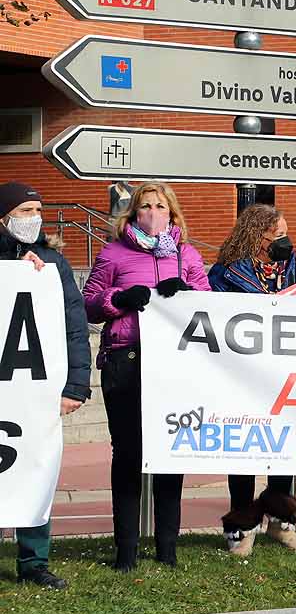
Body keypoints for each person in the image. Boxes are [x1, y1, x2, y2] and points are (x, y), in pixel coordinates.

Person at [82, 181, 210, 570]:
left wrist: (184, 291)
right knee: (128, 454)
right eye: (145, 206)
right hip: (126, 359)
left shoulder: (186, 255)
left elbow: (207, 304)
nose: (153, 212)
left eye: (160, 206)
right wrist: (118, 300)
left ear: (172, 213)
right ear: (133, 213)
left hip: (174, 363)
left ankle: (167, 549)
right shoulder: (113, 253)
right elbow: (88, 303)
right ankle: (126, 551)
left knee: (171, 452)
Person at [0, 183, 90, 589]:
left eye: (37, 208)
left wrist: (75, 385)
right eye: (24, 210)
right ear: (4, 217)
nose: (33, 217)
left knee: (36, 468)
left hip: (37, 391)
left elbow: (75, 328)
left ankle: (34, 561)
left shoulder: (54, 263)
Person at [208, 203, 296, 556]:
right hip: (243, 374)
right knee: (245, 447)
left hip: (282, 372)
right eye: (277, 235)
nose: (284, 241)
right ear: (256, 235)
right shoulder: (225, 274)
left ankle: (282, 522)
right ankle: (242, 526)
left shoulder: (286, 265)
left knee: (284, 445)